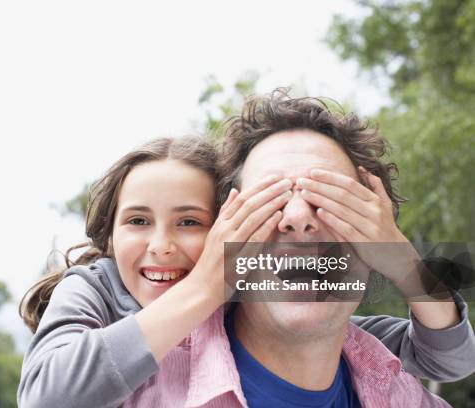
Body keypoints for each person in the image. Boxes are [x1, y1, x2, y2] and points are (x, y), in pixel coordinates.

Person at [18, 133, 474, 407]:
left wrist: (400, 258)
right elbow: (47, 395)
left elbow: (451, 357)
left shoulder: (356, 350)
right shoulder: (95, 286)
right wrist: (204, 285)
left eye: (190, 222)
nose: (162, 245)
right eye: (137, 220)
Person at [124, 90, 473, 407]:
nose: (297, 218)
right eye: (268, 199)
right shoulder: (127, 393)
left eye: (331, 197)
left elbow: (454, 355)